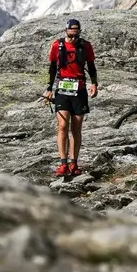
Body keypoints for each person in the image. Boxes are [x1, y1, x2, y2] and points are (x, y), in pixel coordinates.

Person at [44, 18, 98, 177]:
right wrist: (49, 88)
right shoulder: (57, 45)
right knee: (62, 125)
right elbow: (52, 67)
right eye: (71, 35)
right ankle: (63, 163)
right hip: (62, 89)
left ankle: (74, 163)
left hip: (79, 89)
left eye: (76, 35)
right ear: (66, 31)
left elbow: (91, 67)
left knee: (76, 126)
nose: (74, 39)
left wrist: (94, 84)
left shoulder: (85, 46)